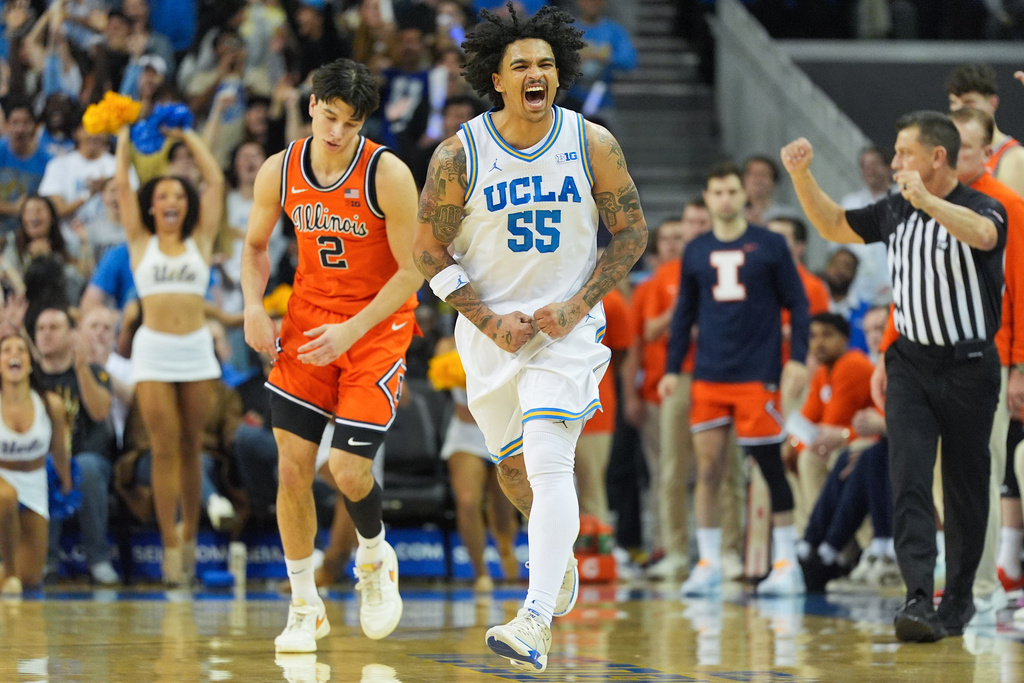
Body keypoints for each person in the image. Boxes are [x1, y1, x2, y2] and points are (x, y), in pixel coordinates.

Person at [412, 4, 647, 672]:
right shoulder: (461, 154)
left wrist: (577, 304)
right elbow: (427, 250)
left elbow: (631, 233)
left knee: (549, 459)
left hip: (566, 331)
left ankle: (535, 617)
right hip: (490, 337)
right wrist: (488, 319)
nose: (536, 72)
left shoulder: (590, 142)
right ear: (496, 78)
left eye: (546, 62)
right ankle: (556, 561)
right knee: (518, 478)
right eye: (522, 65)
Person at [781, 110, 1007, 642]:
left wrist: (929, 202)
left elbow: (984, 238)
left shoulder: (982, 204)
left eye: (904, 152)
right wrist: (802, 177)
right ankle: (917, 598)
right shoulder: (894, 210)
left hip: (971, 366)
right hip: (910, 364)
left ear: (937, 156)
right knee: (908, 477)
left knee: (966, 485)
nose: (894, 161)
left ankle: (959, 599)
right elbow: (835, 224)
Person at [242, 58, 422, 651]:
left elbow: (413, 271)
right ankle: (304, 605)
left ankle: (374, 557)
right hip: (309, 320)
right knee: (291, 468)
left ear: (363, 122)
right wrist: (252, 305)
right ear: (312, 104)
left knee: (346, 470)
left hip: (376, 325)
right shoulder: (281, 168)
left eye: (350, 122)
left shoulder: (387, 173)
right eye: (328, 116)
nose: (336, 131)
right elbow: (254, 247)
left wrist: (353, 331)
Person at [658, 162, 810, 598]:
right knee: (706, 469)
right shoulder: (696, 250)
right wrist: (672, 369)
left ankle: (786, 562)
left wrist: (796, 359)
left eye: (731, 191)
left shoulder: (771, 245)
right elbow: (684, 313)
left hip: (757, 373)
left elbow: (798, 305)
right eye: (716, 192)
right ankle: (707, 562)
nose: (724, 199)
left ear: (745, 196)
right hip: (708, 374)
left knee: (767, 464)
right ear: (706, 199)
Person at [114, 115, 225, 586]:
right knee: (163, 448)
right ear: (151, 207)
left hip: (197, 350)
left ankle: (192, 536)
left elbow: (215, 180)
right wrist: (123, 133)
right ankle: (169, 545)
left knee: (191, 446)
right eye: (162, 196)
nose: (172, 201)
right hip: (154, 351)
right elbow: (122, 184)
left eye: (179, 195)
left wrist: (186, 136)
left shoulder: (200, 240)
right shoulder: (141, 243)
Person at [35, 307, 118, 585]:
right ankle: (45, 561)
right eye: (41, 328)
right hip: (46, 462)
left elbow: (100, 412)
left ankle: (99, 559)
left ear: (71, 335)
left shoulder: (93, 370)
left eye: (54, 327)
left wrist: (81, 367)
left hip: (91, 460)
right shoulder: (31, 381)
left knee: (85, 466)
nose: (46, 334)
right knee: (46, 467)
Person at [0, 333, 70, 595]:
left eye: (21, 350)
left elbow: (60, 449)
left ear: (30, 362)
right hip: (1, 477)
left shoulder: (50, 404)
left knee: (29, 577)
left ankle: (11, 575)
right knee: (5, 496)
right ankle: (9, 572)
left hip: (34, 479)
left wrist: (66, 480)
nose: (14, 354)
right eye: (6, 350)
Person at [945, 63, 1024, 198]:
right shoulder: (950, 154)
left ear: (993, 103)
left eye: (968, 102)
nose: (959, 110)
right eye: (954, 102)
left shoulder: (1014, 159)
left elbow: (1016, 216)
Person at [838, 146, 893, 307]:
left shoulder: (904, 201)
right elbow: (839, 245)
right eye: (865, 166)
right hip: (857, 289)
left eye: (875, 164)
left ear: (889, 168)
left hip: (893, 286)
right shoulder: (849, 202)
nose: (870, 170)